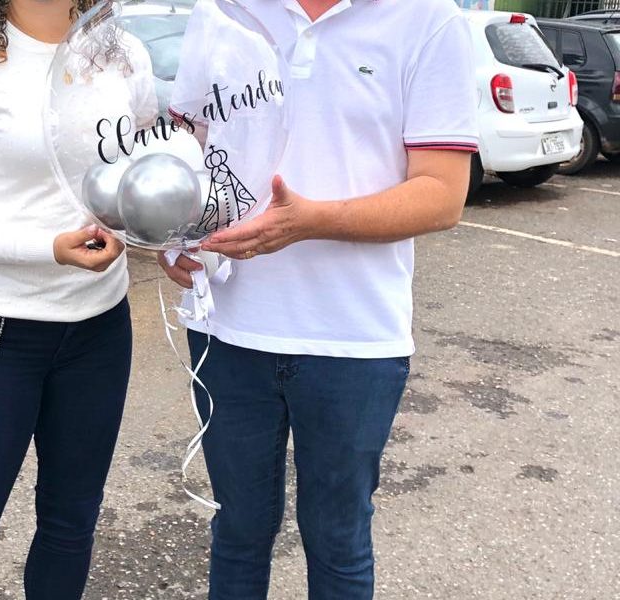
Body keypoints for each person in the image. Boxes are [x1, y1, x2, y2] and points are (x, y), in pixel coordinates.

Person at [160, 0, 478, 598]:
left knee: (337, 540)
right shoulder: (221, 10)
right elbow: (186, 147)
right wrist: (172, 231)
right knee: (238, 531)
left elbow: (441, 194)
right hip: (228, 329)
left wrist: (311, 222)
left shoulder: (429, 19)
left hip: (353, 339)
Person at [0, 1, 153, 598]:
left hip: (99, 328)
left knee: (71, 526)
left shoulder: (124, 54)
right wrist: (50, 249)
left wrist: (153, 230)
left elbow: (140, 173)